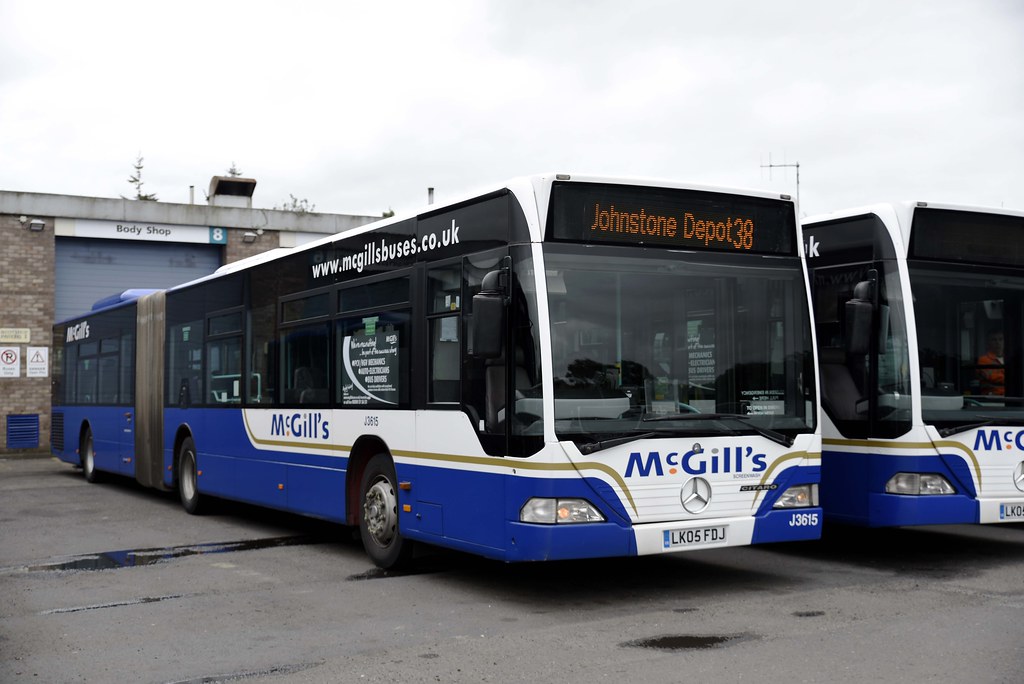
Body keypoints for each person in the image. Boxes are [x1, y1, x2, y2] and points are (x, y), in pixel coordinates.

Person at [977, 331, 1005, 395]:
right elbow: (992, 377)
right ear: (988, 343)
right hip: (993, 396)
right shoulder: (983, 360)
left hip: (1011, 394)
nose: (998, 343)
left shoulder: (1009, 358)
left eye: (1000, 339)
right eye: (994, 340)